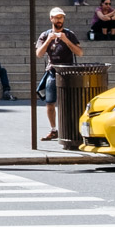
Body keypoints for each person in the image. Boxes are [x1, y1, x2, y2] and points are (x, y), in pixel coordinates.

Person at [35, 8, 82, 141]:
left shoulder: (69, 34)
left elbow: (80, 53)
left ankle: (71, 129)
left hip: (68, 72)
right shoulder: (45, 35)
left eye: (61, 17)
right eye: (56, 18)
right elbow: (38, 54)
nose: (59, 20)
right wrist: (48, 40)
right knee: (50, 102)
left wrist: (67, 41)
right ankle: (54, 129)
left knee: (70, 103)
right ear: (51, 19)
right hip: (53, 72)